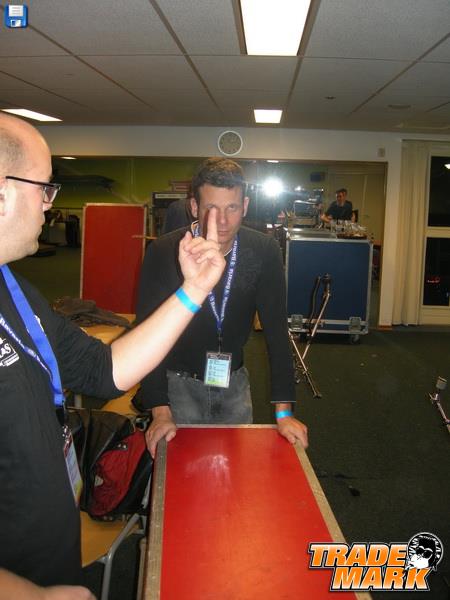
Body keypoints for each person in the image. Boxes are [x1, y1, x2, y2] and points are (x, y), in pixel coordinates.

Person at [0, 114, 225, 599]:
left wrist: (194, 291)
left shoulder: (15, 289)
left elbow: (104, 370)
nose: (49, 203)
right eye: (44, 187)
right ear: (2, 193)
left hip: (47, 551)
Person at [135, 157, 309, 458]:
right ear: (194, 207)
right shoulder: (163, 251)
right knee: (182, 473)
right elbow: (146, 335)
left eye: (232, 208)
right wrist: (160, 410)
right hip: (177, 385)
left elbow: (277, 334)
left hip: (234, 382)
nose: (223, 221)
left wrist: (284, 412)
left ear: (245, 206)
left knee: (236, 469)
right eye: (211, 208)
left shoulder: (263, 251)